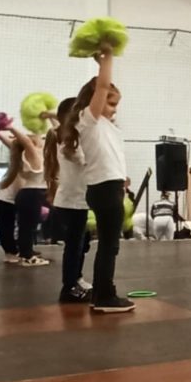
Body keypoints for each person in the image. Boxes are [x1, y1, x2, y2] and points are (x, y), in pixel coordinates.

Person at [64, 49, 133, 313]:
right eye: (111, 104)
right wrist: (107, 60)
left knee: (108, 244)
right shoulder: (89, 120)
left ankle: (101, 294)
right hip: (104, 189)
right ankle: (105, 296)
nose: (114, 110)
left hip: (108, 186)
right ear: (96, 99)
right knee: (109, 245)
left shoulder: (105, 126)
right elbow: (102, 86)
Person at [45, 97, 92, 303]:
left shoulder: (66, 136)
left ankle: (76, 278)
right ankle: (69, 287)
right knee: (74, 246)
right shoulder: (69, 141)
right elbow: (86, 160)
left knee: (82, 244)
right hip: (71, 202)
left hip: (76, 200)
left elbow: (61, 120)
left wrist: (49, 115)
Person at [0, 124, 50, 268]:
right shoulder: (32, 154)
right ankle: (27, 257)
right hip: (32, 194)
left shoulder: (21, 154)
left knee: (26, 227)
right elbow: (26, 142)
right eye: (37, 138)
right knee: (27, 228)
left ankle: (26, 254)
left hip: (29, 194)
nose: (40, 138)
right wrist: (9, 127)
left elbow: (13, 144)